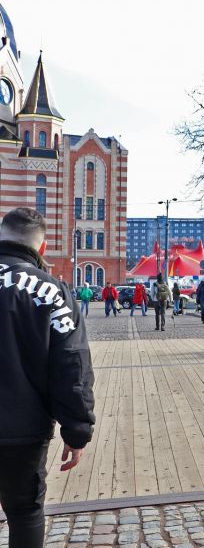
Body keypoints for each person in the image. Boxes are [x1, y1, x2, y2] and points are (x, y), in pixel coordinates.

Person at [0, 207, 95, 548]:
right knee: (24, 513)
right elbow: (72, 364)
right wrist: (77, 429)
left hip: (21, 429)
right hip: (21, 430)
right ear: (41, 249)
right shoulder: (52, 291)